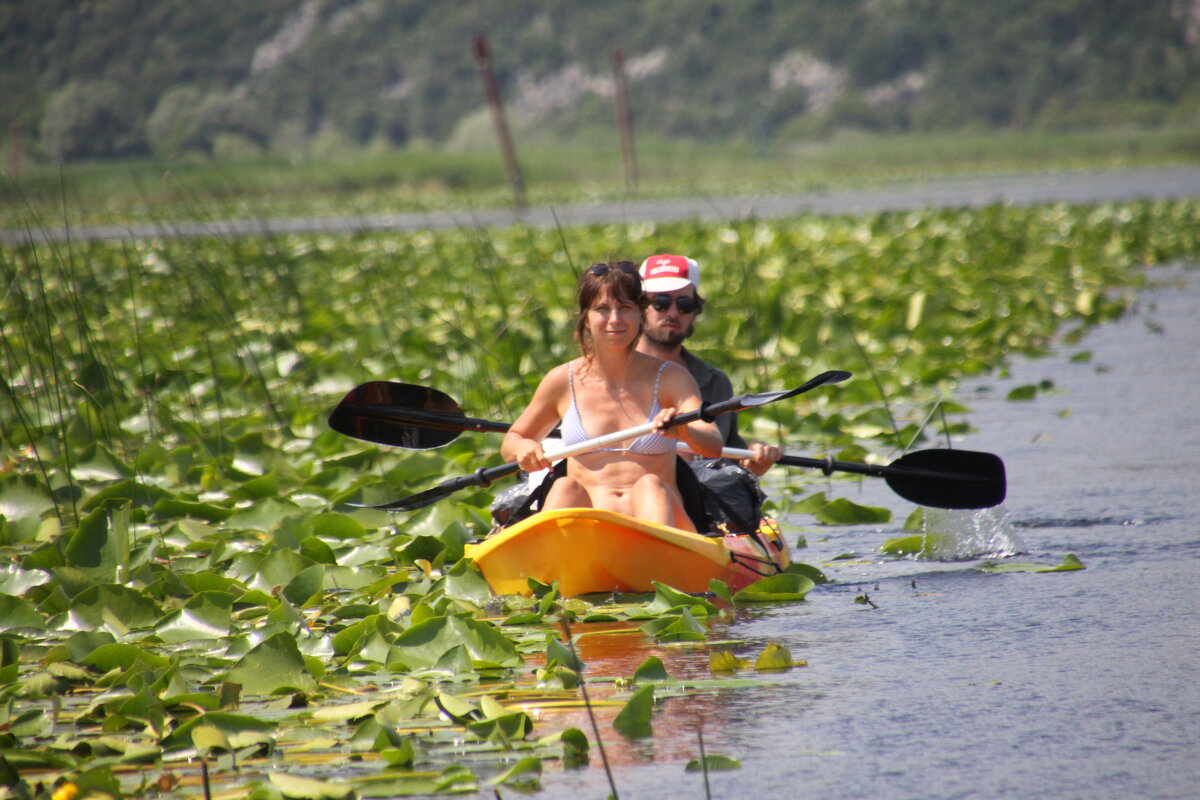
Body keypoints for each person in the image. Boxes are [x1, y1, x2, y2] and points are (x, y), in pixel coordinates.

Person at [501, 261, 724, 532]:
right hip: (592, 529)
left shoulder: (671, 377)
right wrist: (523, 448)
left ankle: (652, 561)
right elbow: (511, 442)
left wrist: (684, 430)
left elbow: (713, 444)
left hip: (660, 523)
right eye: (603, 309)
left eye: (625, 309)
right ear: (585, 316)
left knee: (649, 485)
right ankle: (546, 561)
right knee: (563, 486)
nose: (615, 320)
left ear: (640, 314)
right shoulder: (561, 380)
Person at [636, 253, 782, 476]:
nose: (673, 313)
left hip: (697, 501)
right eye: (661, 303)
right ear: (640, 307)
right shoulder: (611, 373)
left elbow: (726, 462)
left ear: (696, 311)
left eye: (684, 304)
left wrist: (751, 463)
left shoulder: (715, 382)